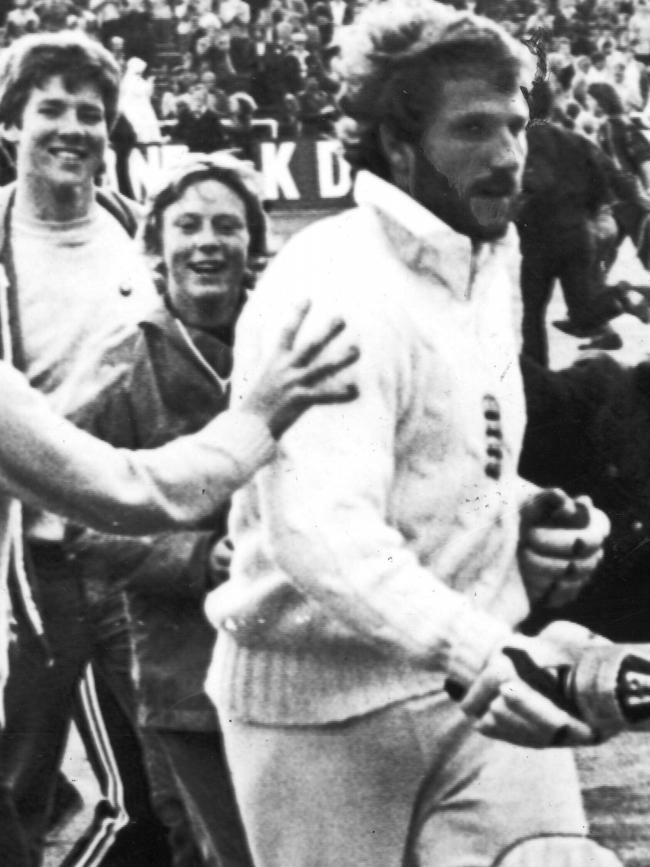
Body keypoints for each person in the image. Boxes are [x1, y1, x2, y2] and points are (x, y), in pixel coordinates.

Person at [203, 3, 619, 866]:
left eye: (516, 125)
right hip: (323, 714)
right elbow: (326, 534)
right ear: (397, 144)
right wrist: (483, 645)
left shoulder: (485, 259)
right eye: (474, 129)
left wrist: (523, 509)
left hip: (477, 690)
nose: (509, 156)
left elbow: (459, 470)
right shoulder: (334, 284)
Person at [0, 29, 355, 867]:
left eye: (90, 114)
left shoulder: (131, 228)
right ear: (12, 124)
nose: (72, 129)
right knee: (21, 778)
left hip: (142, 545)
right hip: (37, 565)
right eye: (50, 109)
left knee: (171, 781)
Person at [68, 154, 270, 867]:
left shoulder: (287, 346)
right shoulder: (121, 362)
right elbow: (71, 517)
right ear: (156, 243)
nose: (208, 241)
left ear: (254, 242)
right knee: (209, 848)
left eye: (227, 225)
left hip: (293, 656)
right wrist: (193, 557)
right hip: (179, 666)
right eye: (188, 225)